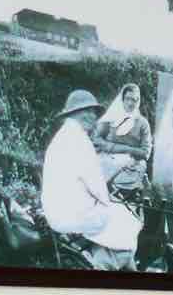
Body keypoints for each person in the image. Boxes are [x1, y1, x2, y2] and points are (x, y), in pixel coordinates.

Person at [38, 87, 142, 268]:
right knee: (128, 221)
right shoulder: (79, 140)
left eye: (94, 113)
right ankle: (103, 267)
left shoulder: (63, 136)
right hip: (72, 216)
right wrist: (107, 200)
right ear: (80, 113)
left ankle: (103, 259)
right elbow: (97, 186)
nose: (94, 117)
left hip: (55, 211)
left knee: (117, 217)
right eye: (91, 112)